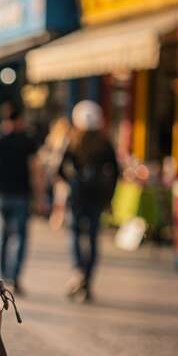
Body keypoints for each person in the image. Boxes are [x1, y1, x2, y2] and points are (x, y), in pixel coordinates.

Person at [58, 100, 119, 302]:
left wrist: (72, 181)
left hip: (78, 195)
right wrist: (109, 196)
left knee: (75, 234)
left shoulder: (73, 141)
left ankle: (78, 270)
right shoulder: (104, 142)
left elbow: (60, 169)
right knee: (92, 238)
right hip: (97, 197)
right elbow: (115, 172)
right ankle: (88, 280)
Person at [0, 105, 38, 296]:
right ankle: (14, 277)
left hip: (1, 193)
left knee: (4, 234)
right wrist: (39, 195)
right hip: (21, 194)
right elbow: (34, 169)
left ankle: (3, 276)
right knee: (21, 236)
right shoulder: (27, 141)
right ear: (19, 120)